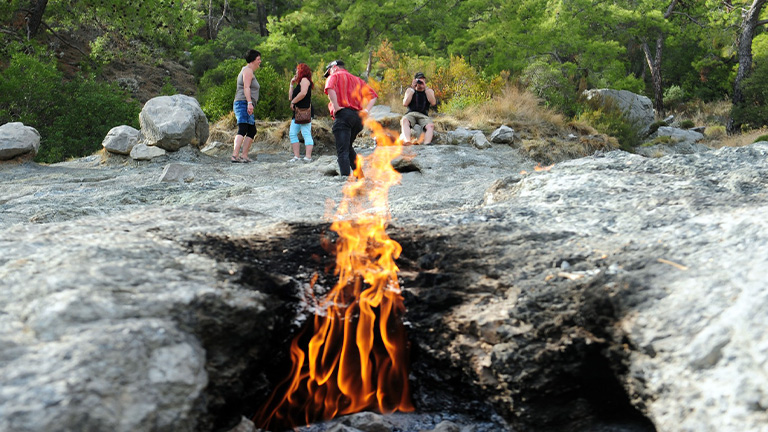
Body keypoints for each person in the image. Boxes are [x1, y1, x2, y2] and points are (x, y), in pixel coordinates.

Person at [323, 60, 378, 178]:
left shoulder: (335, 76)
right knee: (347, 147)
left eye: (328, 72)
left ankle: (345, 178)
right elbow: (373, 96)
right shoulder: (357, 79)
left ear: (334, 67)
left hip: (343, 116)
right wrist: (366, 111)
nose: (328, 75)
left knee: (342, 150)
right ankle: (360, 176)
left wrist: (336, 106)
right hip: (358, 118)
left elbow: (330, 89)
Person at [231, 49, 261, 163]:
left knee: (252, 130)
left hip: (247, 103)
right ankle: (235, 156)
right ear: (253, 60)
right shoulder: (247, 71)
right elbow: (246, 87)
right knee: (243, 128)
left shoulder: (249, 71)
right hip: (243, 102)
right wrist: (249, 103)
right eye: (258, 59)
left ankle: (244, 155)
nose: (260, 61)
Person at [288, 63, 315, 162]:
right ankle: (296, 156)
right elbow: (290, 97)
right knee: (292, 133)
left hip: (305, 111)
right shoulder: (299, 83)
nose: (296, 72)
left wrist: (293, 102)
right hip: (297, 112)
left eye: (297, 70)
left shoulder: (305, 80)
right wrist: (291, 84)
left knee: (305, 132)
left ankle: (308, 157)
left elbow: (303, 93)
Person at [401, 72, 436, 145]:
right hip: (411, 113)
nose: (420, 82)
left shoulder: (429, 91)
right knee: (404, 120)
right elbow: (405, 103)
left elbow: (433, 102)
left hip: (423, 115)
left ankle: (427, 143)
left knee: (430, 125)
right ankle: (407, 141)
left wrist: (425, 88)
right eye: (419, 80)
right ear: (415, 80)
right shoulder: (410, 90)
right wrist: (413, 89)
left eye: (422, 80)